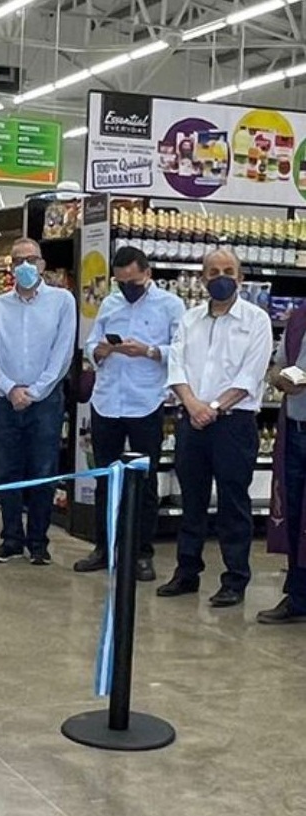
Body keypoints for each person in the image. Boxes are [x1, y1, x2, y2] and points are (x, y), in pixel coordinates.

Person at [160, 247, 272, 608]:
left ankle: (235, 579)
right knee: (191, 501)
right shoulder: (189, 319)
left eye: (228, 271)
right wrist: (193, 405)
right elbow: (176, 366)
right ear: (203, 277)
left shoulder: (255, 320)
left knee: (232, 502)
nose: (220, 277)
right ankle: (186, 571)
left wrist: (213, 407)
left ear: (240, 278)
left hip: (233, 423)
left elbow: (250, 375)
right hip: (191, 419)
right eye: (213, 271)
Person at [75, 246, 185, 582]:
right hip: (107, 400)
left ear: (147, 273)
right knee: (106, 478)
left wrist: (149, 351)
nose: (127, 288)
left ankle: (141, 553)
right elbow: (91, 346)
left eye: (133, 281)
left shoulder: (170, 305)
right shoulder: (110, 303)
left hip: (146, 402)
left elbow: (182, 351)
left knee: (144, 481)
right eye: (121, 282)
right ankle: (104, 547)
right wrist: (103, 350)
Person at [0, 237, 77, 566]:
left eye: (31, 259)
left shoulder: (62, 301)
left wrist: (35, 391)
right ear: (10, 267)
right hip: (6, 399)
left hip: (45, 400)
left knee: (43, 470)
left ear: (43, 265)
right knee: (6, 471)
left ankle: (38, 542)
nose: (25, 266)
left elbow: (62, 353)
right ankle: (10, 539)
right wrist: (9, 389)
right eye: (18, 260)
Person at [263, 305, 306, 624]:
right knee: (294, 513)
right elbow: (276, 366)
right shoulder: (299, 316)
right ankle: (298, 595)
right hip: (294, 429)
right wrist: (281, 379)